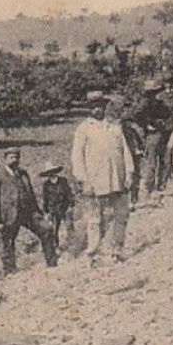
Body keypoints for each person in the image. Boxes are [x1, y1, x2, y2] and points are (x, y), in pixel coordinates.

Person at [70, 93, 139, 266]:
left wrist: (129, 173)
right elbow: (77, 157)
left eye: (100, 105)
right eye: (93, 106)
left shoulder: (115, 126)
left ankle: (117, 249)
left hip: (117, 178)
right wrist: (83, 179)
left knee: (121, 214)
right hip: (95, 180)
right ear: (88, 109)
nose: (97, 109)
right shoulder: (84, 129)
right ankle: (93, 252)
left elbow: (125, 151)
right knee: (95, 218)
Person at [0, 146, 57, 272]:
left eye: (17, 157)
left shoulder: (23, 173)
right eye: (11, 157)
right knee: (8, 242)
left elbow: (30, 193)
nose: (14, 160)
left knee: (46, 230)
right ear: (5, 159)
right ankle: (10, 270)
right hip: (10, 215)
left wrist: (39, 212)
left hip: (28, 212)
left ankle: (52, 264)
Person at [131, 78, 173, 200]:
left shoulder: (158, 102)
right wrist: (147, 125)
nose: (156, 93)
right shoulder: (145, 103)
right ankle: (149, 188)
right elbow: (136, 115)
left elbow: (167, 114)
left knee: (164, 160)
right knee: (152, 162)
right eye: (154, 91)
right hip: (152, 135)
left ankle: (161, 185)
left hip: (161, 133)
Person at [37, 160, 74, 258]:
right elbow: (45, 198)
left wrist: (71, 205)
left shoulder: (63, 181)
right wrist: (46, 211)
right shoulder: (46, 185)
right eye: (49, 172)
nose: (51, 174)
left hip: (64, 208)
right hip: (53, 210)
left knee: (69, 227)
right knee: (54, 230)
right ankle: (56, 249)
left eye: (52, 171)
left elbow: (69, 193)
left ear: (56, 171)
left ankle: (72, 248)